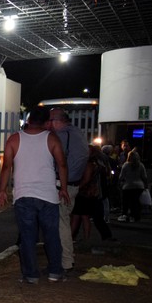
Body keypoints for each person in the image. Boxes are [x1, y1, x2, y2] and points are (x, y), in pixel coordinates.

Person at [0, 106, 70, 284]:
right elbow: (62, 165)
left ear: (28, 120)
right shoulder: (52, 138)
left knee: (27, 237)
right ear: (46, 122)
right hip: (48, 195)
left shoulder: (14, 139)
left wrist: (2, 190)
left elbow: (6, 166)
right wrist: (64, 188)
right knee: (51, 235)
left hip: (24, 195)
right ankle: (54, 272)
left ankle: (31, 275)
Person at [47, 108, 88, 272]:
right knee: (63, 221)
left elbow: (58, 160)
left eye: (49, 121)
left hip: (64, 185)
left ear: (56, 121)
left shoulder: (63, 136)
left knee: (60, 223)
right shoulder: (77, 133)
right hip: (73, 184)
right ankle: (65, 260)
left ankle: (65, 261)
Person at [71, 145, 115, 242]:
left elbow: (86, 179)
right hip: (93, 193)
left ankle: (71, 237)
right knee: (87, 216)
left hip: (85, 193)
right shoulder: (98, 163)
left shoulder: (88, 164)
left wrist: (77, 187)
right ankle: (86, 238)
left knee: (77, 216)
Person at [118, 150, 148, 222]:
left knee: (126, 201)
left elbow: (121, 177)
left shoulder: (126, 165)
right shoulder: (141, 165)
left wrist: (119, 183)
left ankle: (124, 215)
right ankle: (134, 216)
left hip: (128, 186)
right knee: (135, 202)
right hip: (139, 186)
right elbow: (144, 177)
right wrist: (146, 185)